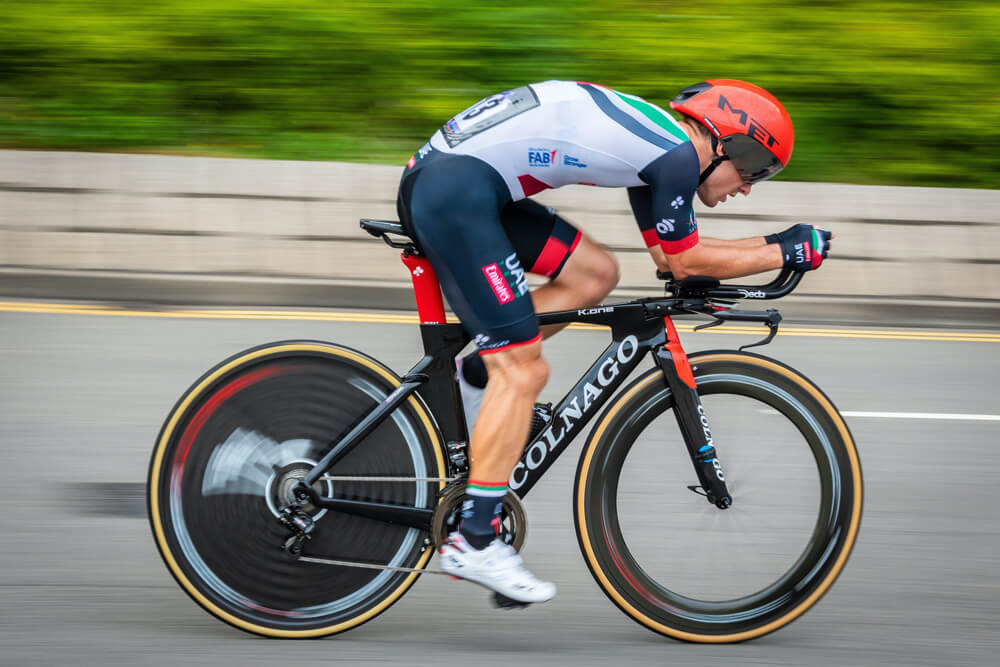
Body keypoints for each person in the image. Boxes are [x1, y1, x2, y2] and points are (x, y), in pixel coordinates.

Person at [394, 79, 831, 605]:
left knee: (594, 273)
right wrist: (785, 248)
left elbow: (671, 261)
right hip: (455, 193)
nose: (750, 186)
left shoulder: (662, 153)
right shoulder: (675, 156)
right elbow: (688, 260)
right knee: (525, 371)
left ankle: (474, 384)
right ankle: (476, 539)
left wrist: (765, 252)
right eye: (756, 168)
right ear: (726, 143)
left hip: (463, 184)